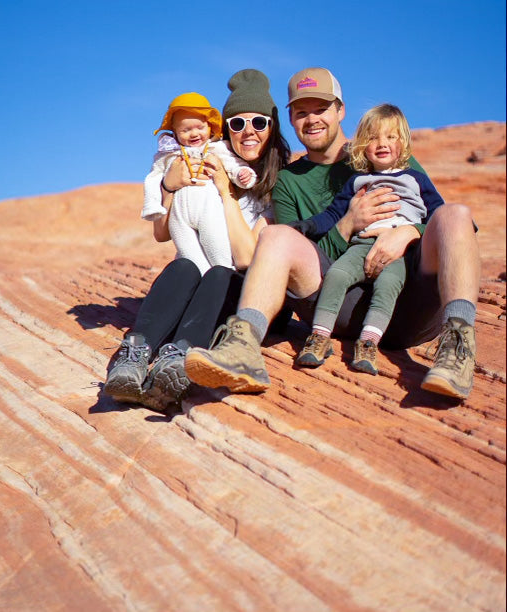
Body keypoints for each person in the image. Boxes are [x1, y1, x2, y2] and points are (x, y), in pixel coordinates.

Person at [185, 67, 479, 400]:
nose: (311, 120)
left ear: (340, 110)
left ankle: (458, 346)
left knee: (456, 214)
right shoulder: (289, 182)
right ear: (291, 120)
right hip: (338, 308)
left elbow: (437, 217)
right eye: (301, 112)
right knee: (276, 236)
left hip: (409, 306)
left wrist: (410, 231)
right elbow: (298, 256)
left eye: (321, 109)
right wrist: (345, 226)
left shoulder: (381, 151)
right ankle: (242, 347)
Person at [103, 69, 291, 412]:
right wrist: (170, 188)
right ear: (225, 128)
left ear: (272, 126)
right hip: (197, 276)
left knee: (220, 273)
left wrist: (226, 193)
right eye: (237, 124)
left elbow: (245, 257)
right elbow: (161, 233)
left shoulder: (277, 186)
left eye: (259, 123)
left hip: (237, 286)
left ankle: (178, 358)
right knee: (183, 267)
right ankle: (133, 355)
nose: (248, 132)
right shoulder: (208, 155)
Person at [292, 103, 445, 376]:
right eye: (373, 138)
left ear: (404, 142)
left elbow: (439, 218)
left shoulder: (416, 180)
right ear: (362, 145)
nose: (382, 143)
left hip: (401, 254)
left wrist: (414, 232)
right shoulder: (358, 182)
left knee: (387, 284)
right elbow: (332, 215)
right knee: (337, 273)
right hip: (361, 246)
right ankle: (319, 336)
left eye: (391, 137)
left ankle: (369, 343)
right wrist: (306, 226)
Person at [141, 92, 257, 275]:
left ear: (210, 127)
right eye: (185, 130)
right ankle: (202, 282)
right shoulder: (168, 156)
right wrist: (155, 199)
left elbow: (233, 164)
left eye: (199, 127)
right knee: (190, 259)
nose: (194, 134)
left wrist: (243, 174)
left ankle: (225, 279)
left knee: (218, 251)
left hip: (208, 209)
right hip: (178, 216)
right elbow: (153, 178)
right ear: (175, 133)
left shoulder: (216, 148)